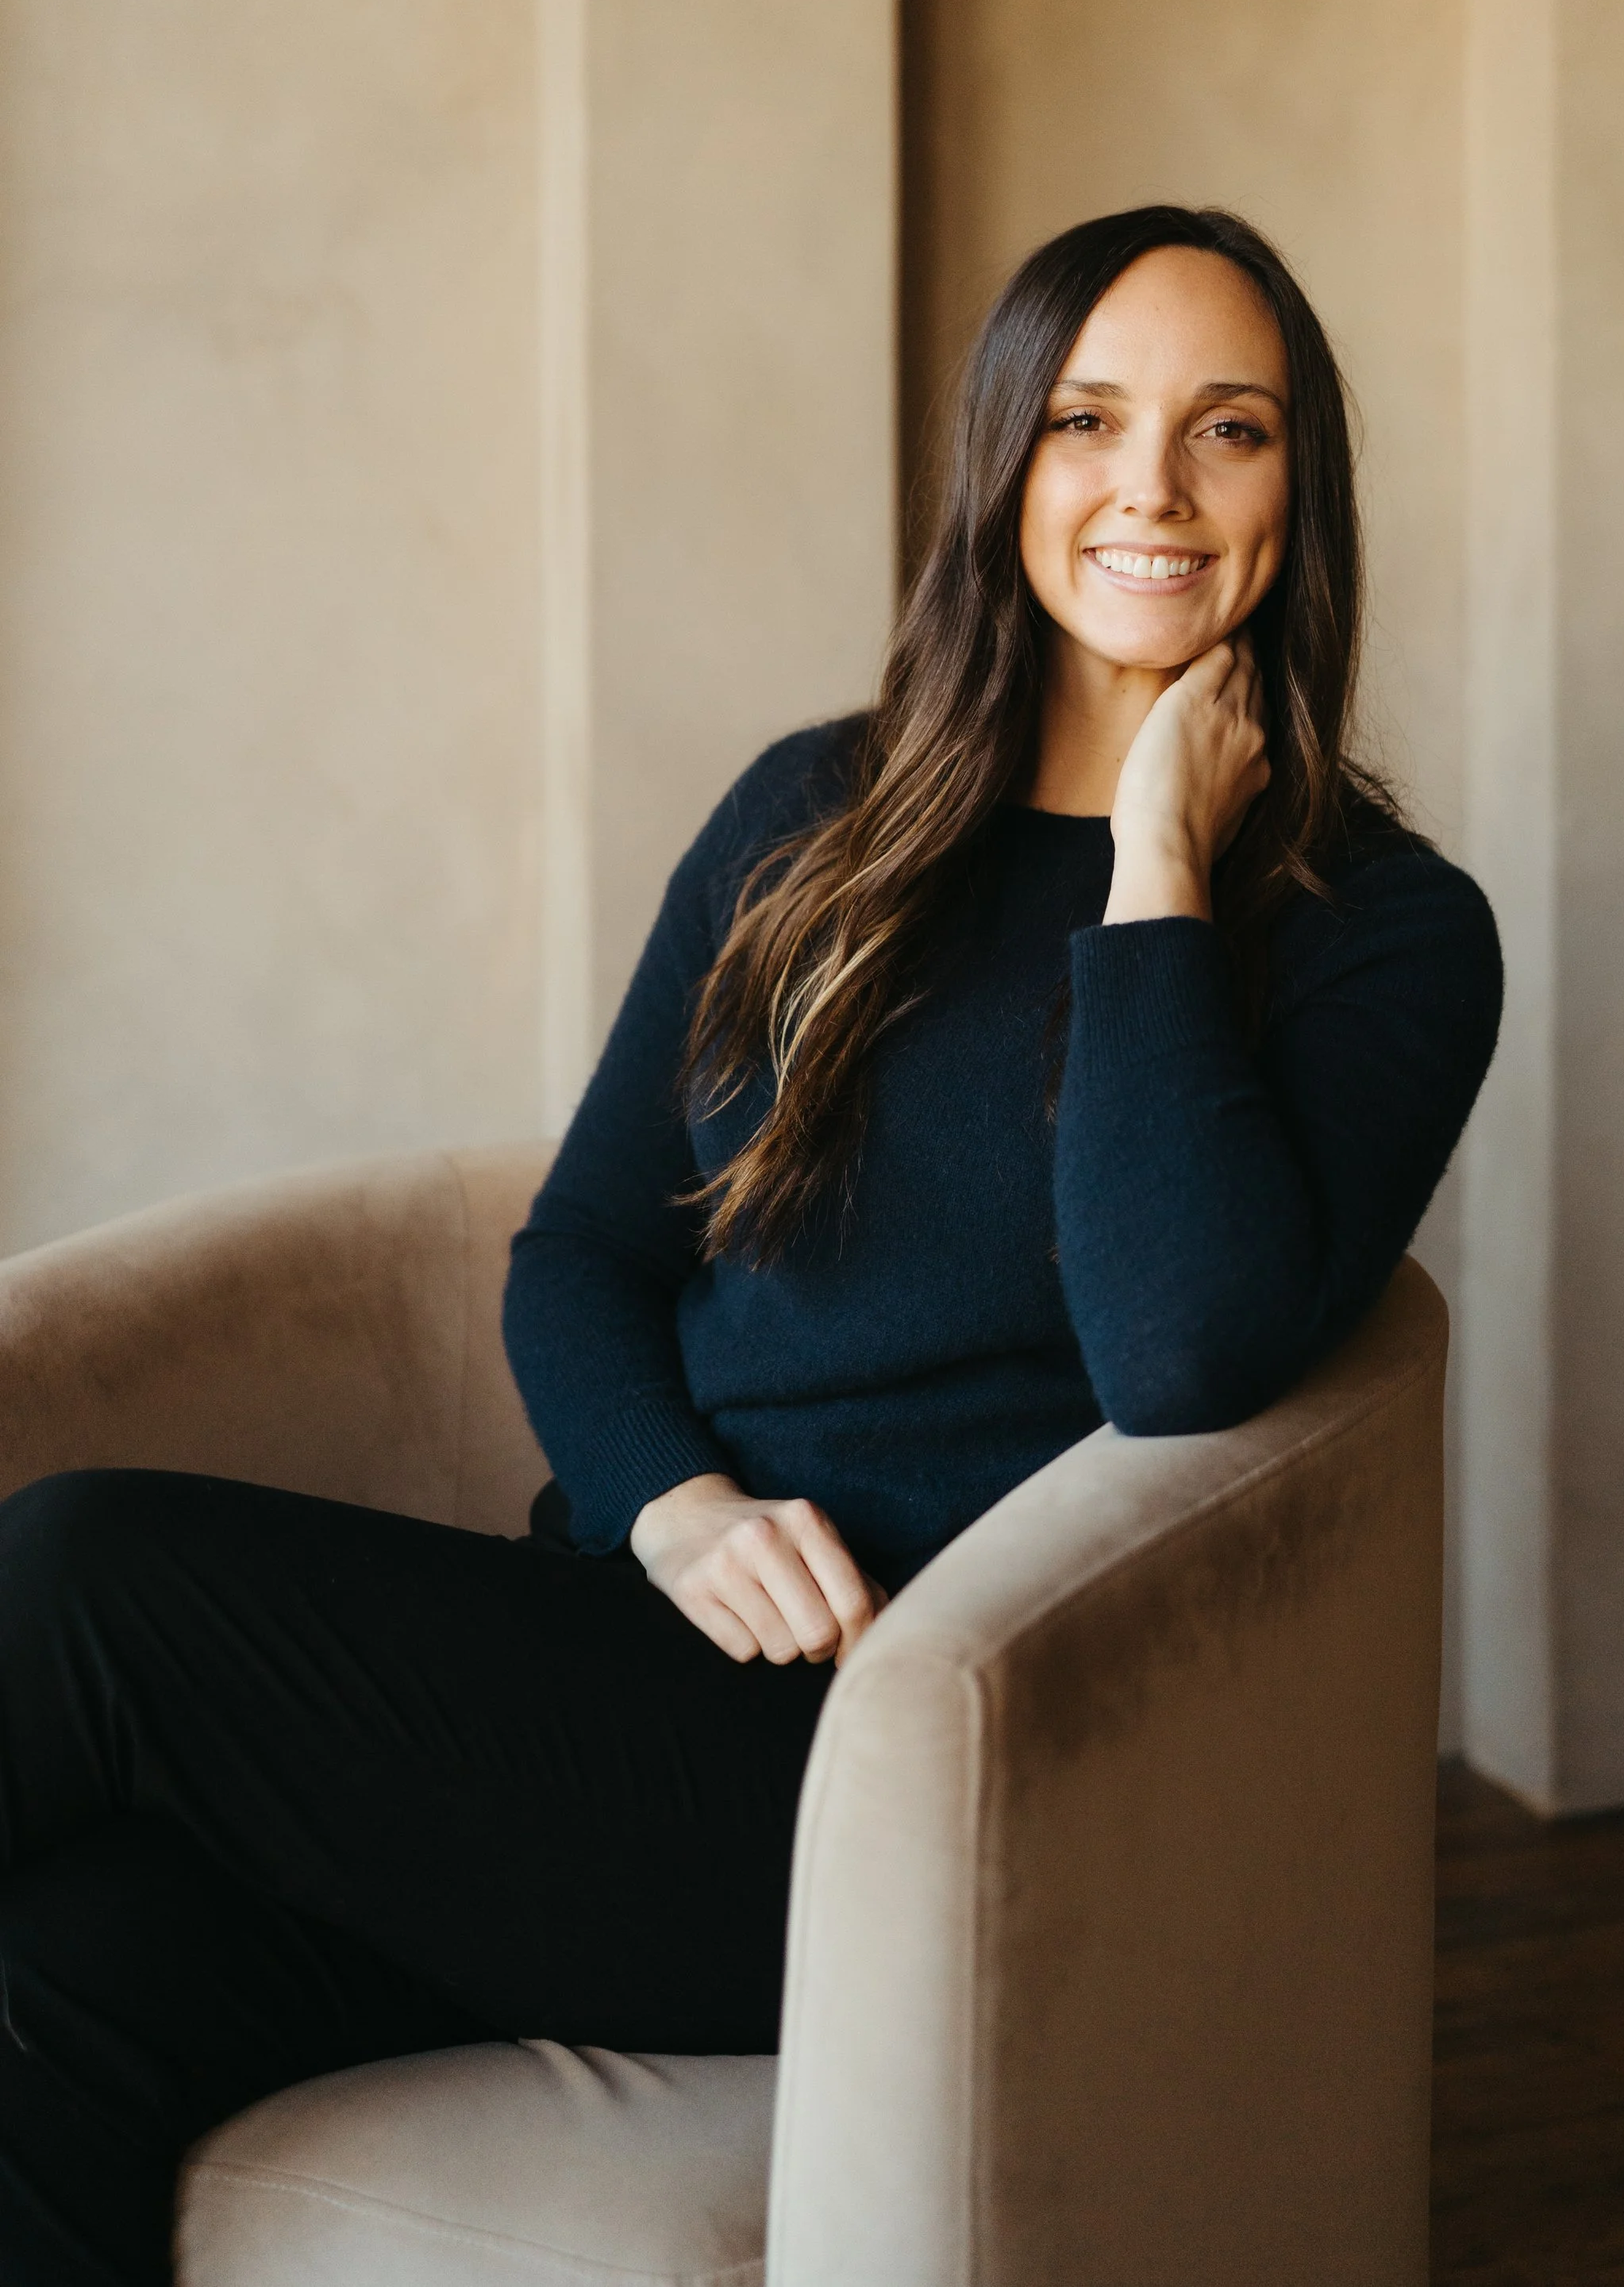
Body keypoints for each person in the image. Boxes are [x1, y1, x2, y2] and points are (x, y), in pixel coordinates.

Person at [0, 205, 1501, 2285]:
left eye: (1224, 428)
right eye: (1086, 419)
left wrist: (1157, 863)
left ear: (1297, 489)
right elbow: (583, 1248)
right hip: (603, 1687)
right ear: (1004, 462)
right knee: (56, 1991)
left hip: (892, 1779)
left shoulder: (1382, 936)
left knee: (90, 1568)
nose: (1148, 485)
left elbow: (1182, 1350)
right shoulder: (816, 817)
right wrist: (674, 1503)